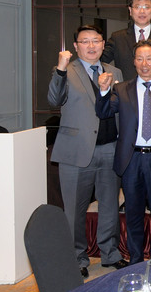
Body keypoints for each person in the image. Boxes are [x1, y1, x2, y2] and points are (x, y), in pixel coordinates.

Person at [47, 25, 128, 277]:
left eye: (96, 41)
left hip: (110, 148)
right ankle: (77, 258)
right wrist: (60, 69)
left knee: (109, 206)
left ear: (103, 44)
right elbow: (54, 100)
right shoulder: (65, 70)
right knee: (74, 209)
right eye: (85, 41)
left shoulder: (115, 71)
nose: (91, 46)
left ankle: (110, 254)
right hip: (76, 151)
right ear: (76, 46)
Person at [95, 40, 151, 264]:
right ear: (134, 61)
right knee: (133, 214)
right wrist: (103, 91)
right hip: (130, 159)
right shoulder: (121, 88)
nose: (145, 64)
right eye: (140, 59)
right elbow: (103, 112)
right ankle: (135, 261)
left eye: (149, 58)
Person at [101, 0, 151, 79]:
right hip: (126, 86)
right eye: (137, 7)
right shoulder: (118, 38)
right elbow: (100, 61)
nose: (142, 11)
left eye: (146, 7)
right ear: (130, 10)